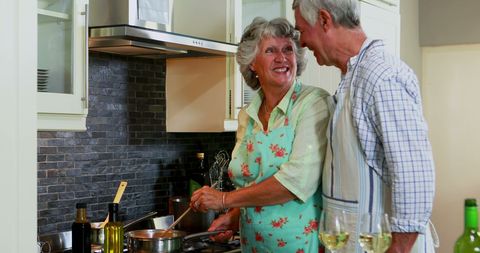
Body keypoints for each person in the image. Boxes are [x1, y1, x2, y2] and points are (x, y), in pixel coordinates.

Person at [292, 0, 436, 252]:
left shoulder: (381, 76)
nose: (301, 42)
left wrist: (399, 249)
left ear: (325, 20)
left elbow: (414, 176)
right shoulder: (353, 76)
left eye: (302, 30)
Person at [189, 17, 330, 252]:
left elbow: (296, 183)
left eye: (288, 50)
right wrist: (233, 217)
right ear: (252, 62)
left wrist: (224, 200)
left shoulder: (313, 104)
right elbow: (253, 182)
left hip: (299, 246)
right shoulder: (247, 115)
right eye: (271, 50)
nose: (282, 58)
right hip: (253, 245)